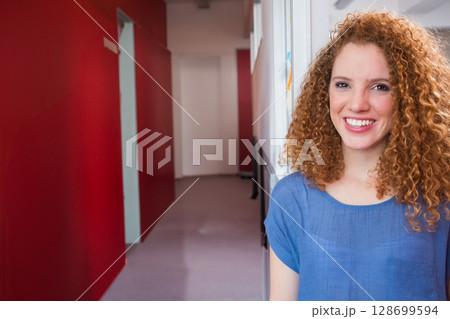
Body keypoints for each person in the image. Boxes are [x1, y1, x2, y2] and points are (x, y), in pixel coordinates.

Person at [264, 11, 450, 301]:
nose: (358, 103)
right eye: (343, 84)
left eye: (380, 87)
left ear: (408, 97)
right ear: (324, 94)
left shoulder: (440, 197)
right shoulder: (291, 199)